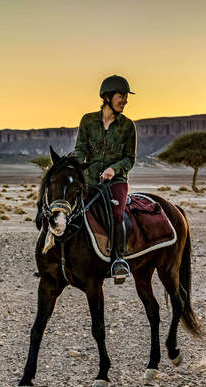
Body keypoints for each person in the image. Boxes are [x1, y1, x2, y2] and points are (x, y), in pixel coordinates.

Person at [71, 74, 137, 283]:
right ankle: (56, 257)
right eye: (122, 96)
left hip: (115, 182)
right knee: (67, 208)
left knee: (117, 214)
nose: (125, 101)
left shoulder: (128, 126)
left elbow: (130, 158)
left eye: (126, 97)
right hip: (89, 180)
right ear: (108, 97)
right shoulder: (88, 121)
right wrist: (74, 167)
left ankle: (118, 260)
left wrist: (114, 169)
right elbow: (80, 149)